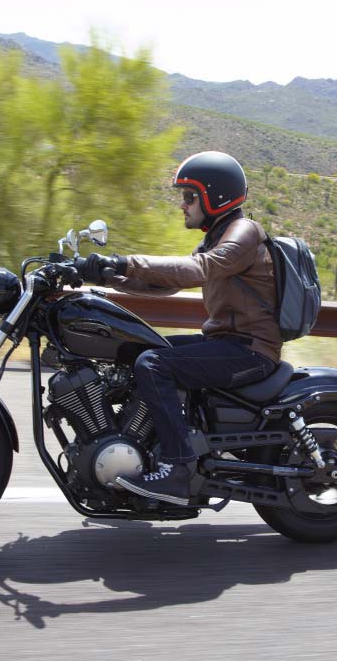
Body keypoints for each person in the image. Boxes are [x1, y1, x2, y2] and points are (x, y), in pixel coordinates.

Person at [78, 151, 281, 505]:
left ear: (215, 196)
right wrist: (106, 276)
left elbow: (199, 269)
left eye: (189, 196)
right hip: (226, 343)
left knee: (153, 364)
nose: (183, 205)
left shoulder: (244, 232)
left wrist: (125, 261)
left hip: (249, 350)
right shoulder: (217, 235)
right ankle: (139, 443)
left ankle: (178, 468)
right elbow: (164, 285)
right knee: (137, 350)